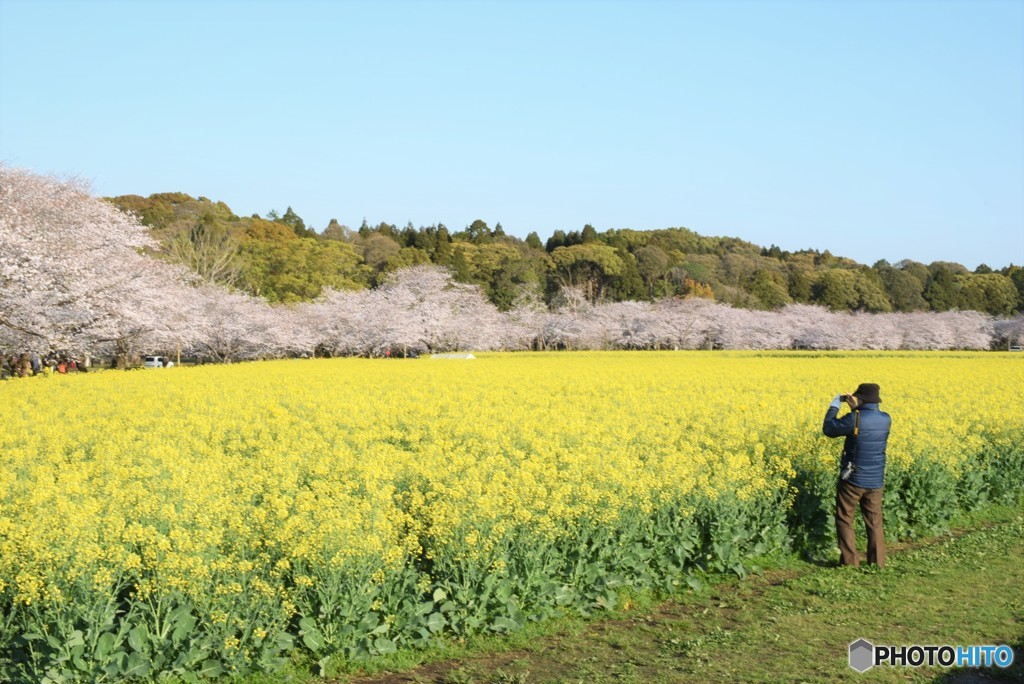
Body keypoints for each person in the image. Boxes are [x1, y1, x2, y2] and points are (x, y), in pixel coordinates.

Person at [823, 383, 891, 567]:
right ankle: (877, 562)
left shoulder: (855, 418)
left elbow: (829, 429)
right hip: (876, 481)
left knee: (845, 518)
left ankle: (849, 562)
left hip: (853, 480)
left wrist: (835, 404)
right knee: (874, 522)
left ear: (860, 398)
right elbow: (864, 424)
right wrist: (856, 409)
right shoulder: (886, 418)